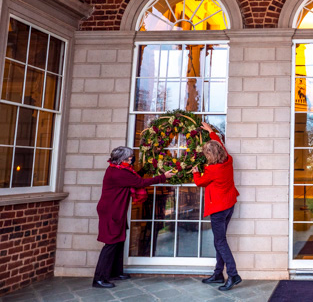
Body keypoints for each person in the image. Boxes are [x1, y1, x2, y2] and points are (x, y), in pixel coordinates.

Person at [93, 146, 174, 288]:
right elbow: (140, 183)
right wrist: (163, 177)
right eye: (130, 157)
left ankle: (115, 273)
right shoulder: (118, 173)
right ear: (122, 159)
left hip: (116, 210)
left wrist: (145, 168)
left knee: (119, 241)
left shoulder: (120, 169)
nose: (132, 158)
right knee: (111, 244)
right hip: (111, 212)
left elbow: (134, 177)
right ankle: (99, 278)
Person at [192, 122, 241, 291]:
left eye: (206, 154)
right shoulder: (228, 160)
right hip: (229, 205)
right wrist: (210, 132)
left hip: (219, 209)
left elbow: (200, 182)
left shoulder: (213, 170)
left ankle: (233, 275)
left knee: (220, 242)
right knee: (218, 241)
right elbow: (220, 145)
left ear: (210, 155)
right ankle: (218, 273)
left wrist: (195, 172)